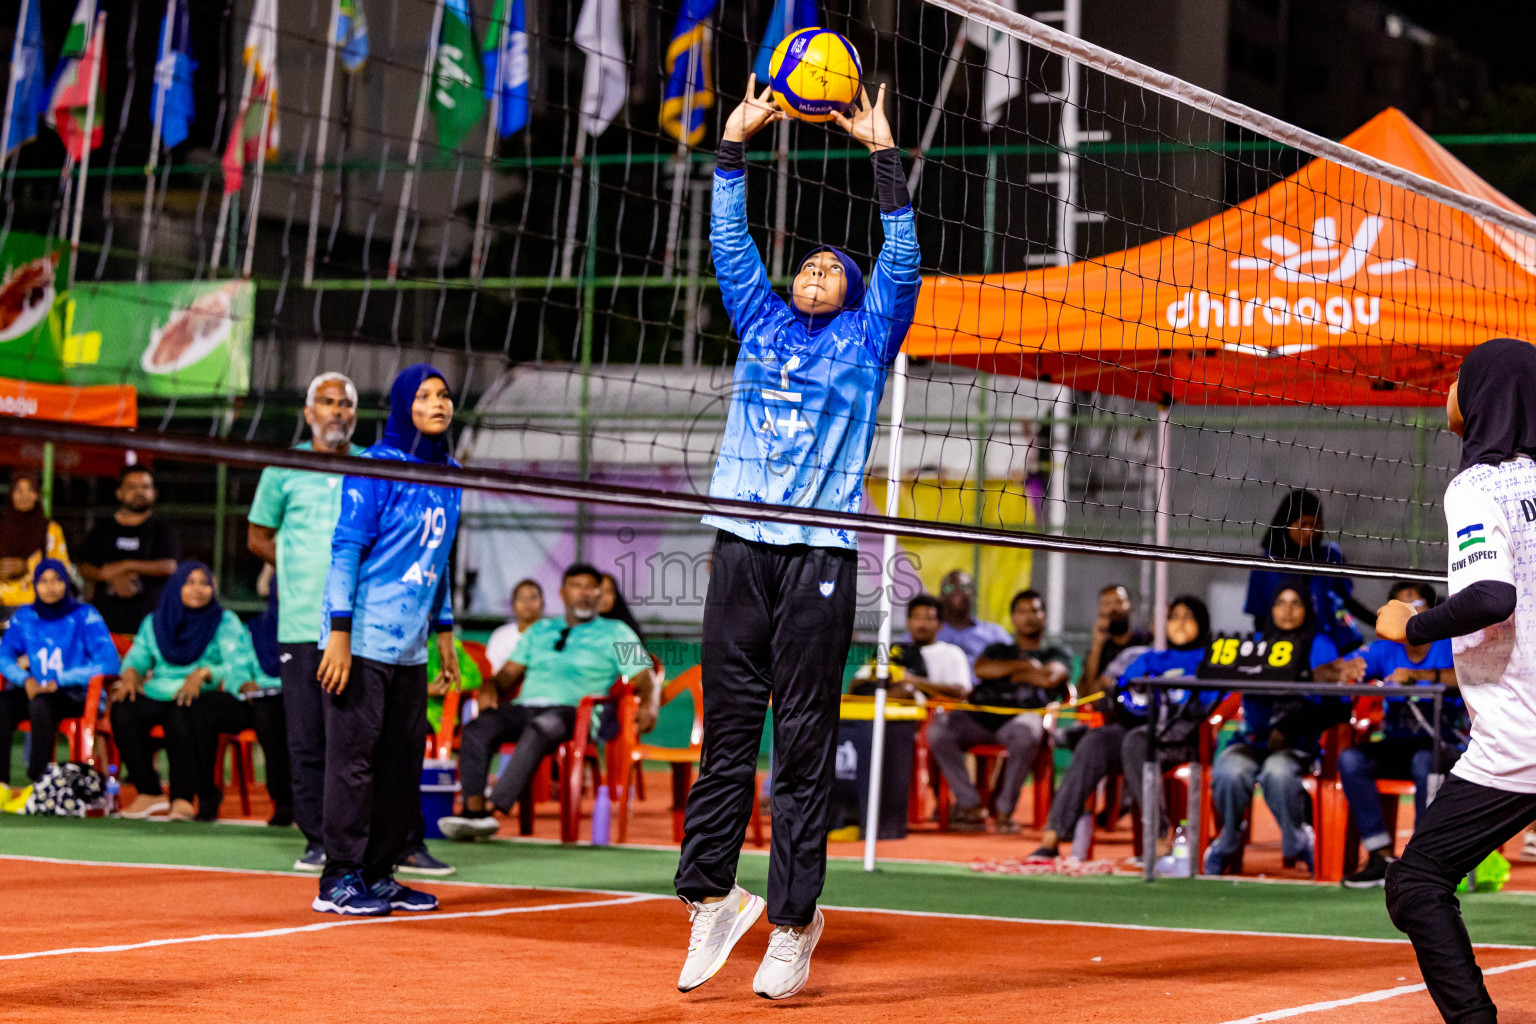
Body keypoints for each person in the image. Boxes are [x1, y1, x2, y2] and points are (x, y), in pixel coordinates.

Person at [672, 77, 921, 1001]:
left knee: (803, 742)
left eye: (830, 268)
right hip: (740, 543)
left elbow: (903, 258)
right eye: (807, 264)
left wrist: (881, 157)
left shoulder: (867, 336)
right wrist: (732, 147)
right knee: (727, 735)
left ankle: (792, 922)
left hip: (817, 553)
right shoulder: (762, 319)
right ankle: (709, 899)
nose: (813, 271)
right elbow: (729, 245)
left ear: (852, 292)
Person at [1374, 338, 1536, 1024]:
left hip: (1521, 737)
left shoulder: (1479, 485)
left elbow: (1490, 596)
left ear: (1480, 398)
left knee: (1416, 882)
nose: (1448, 392)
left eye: (1457, 381)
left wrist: (1411, 624)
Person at [314, 364, 462, 917]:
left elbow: (441, 562)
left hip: (411, 646)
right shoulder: (376, 466)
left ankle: (380, 873)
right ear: (404, 406)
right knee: (353, 762)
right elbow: (346, 549)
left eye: (444, 395)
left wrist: (445, 634)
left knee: (403, 764)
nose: (437, 403)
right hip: (362, 637)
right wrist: (338, 635)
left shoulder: (452, 474)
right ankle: (338, 877)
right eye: (424, 395)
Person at [437, 564, 657, 840]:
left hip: (574, 714)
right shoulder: (540, 630)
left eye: (592, 587)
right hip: (524, 707)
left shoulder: (617, 631)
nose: (585, 593)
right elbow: (506, 675)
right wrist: (489, 686)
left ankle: (493, 807)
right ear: (562, 593)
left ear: (600, 593)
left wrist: (650, 703)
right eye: (577, 586)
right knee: (478, 727)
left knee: (543, 726)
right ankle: (473, 812)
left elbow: (644, 676)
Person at [247, 370, 365, 871]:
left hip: (358, 628)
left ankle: (356, 840)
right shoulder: (283, 468)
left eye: (344, 404)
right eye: (327, 402)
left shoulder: (374, 467)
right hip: (299, 624)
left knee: (356, 740)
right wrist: (297, 564)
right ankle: (316, 838)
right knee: (306, 739)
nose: (336, 411)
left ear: (354, 415)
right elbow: (257, 536)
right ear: (309, 413)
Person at [1030, 596, 1210, 861]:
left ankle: (1160, 841)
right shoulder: (1150, 657)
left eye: (1188, 617)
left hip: (1183, 737)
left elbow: (1209, 705)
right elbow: (1121, 691)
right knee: (1095, 741)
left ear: (1202, 623)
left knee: (1136, 742)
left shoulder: (1209, 659)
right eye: (1174, 617)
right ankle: (1052, 838)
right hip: (1143, 730)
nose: (1179, 624)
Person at [1204, 581, 1366, 876]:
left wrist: (1291, 728)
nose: (1287, 611)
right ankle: (1227, 839)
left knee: (1277, 773)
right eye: (1280, 603)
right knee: (1229, 770)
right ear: (1270, 609)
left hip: (1299, 744)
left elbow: (1339, 708)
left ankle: (1299, 838)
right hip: (1252, 741)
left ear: (1308, 609)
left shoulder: (1321, 645)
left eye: (1296, 603)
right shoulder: (1255, 642)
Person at [1338, 581, 1460, 889]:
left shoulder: (1451, 643)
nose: (1409, 613)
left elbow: (1470, 676)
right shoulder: (1385, 648)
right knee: (1351, 759)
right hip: (1398, 744)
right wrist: (1349, 668)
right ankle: (1379, 855)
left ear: (1432, 610)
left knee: (1424, 761)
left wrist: (1418, 676)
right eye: (1400, 607)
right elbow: (1345, 667)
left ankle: (1424, 861)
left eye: (1416, 604)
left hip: (1447, 745)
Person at [111, 562, 252, 820]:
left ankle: (182, 798)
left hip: (198, 695)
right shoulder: (155, 622)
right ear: (176, 587)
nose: (198, 589)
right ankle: (148, 791)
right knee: (124, 708)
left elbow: (233, 664)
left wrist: (203, 674)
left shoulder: (223, 621)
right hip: (159, 689)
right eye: (190, 582)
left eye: (205, 583)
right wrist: (130, 673)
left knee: (182, 713)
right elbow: (139, 656)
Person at [928, 590, 1072, 834]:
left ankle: (1004, 811)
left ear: (1044, 617)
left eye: (1035, 611)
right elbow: (983, 669)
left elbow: (1050, 677)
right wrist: (1026, 668)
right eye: (1023, 611)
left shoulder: (1055, 652)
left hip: (1021, 719)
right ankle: (970, 804)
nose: (1029, 617)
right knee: (938, 731)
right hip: (981, 719)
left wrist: (1007, 672)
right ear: (1013, 618)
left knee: (1026, 733)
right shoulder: (998, 648)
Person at [0, 560, 119, 798]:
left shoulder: (85, 615)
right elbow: (4, 655)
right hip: (36, 688)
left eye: (57, 580)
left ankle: (39, 784)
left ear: (67, 583)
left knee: (41, 705)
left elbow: (110, 662)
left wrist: (61, 680)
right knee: (3, 704)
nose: (50, 587)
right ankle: (1, 785)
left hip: (76, 694)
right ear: (35, 585)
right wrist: (25, 679)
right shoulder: (26, 616)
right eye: (43, 581)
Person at [189, 603, 292, 825]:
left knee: (269, 712)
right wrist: (242, 684)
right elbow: (236, 667)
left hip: (292, 700)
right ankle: (206, 795)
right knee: (204, 707)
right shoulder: (255, 628)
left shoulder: (305, 626)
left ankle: (285, 802)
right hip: (255, 698)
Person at [1244, 489, 1371, 653]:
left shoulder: (1330, 556)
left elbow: (1345, 600)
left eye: (1315, 525)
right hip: (1284, 648)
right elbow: (1259, 616)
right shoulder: (1266, 564)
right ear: (1287, 523)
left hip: (1333, 644)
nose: (1309, 532)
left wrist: (1379, 622)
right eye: (1302, 524)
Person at [78, 465, 180, 635]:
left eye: (145, 487)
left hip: (150, 628)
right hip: (105, 626)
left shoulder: (163, 529)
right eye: (132, 487)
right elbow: (84, 566)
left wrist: (127, 565)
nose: (139, 492)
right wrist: (106, 576)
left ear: (154, 493)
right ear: (119, 493)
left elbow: (169, 566)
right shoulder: (103, 529)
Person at [850, 594, 971, 699]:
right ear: (908, 623)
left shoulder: (953, 653)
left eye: (929, 618)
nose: (922, 624)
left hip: (932, 716)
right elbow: (856, 683)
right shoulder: (892, 650)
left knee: (906, 689)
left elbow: (961, 691)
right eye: (916, 617)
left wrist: (912, 681)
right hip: (887, 710)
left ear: (940, 624)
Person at [0, 469, 71, 612]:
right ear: (11, 495)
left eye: (30, 490)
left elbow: (62, 570)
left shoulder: (50, 530)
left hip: (37, 607)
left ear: (37, 495)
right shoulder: (1, 528)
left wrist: (27, 566)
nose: (24, 496)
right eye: (18, 490)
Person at [934, 569, 1011, 682]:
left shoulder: (995, 634)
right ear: (940, 596)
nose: (957, 592)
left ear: (974, 594)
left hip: (985, 694)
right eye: (949, 588)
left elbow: (1014, 662)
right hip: (937, 694)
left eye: (964, 588)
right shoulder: (929, 633)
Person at [1077, 584, 1153, 696]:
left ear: (1130, 607)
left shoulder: (1147, 641)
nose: (1113, 608)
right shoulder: (1096, 652)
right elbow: (1087, 695)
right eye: (1106, 604)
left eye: (1118, 602)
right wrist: (1097, 645)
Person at [484, 579, 544, 674]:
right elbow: (492, 670)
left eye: (533, 597)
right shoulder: (501, 635)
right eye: (521, 598)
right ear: (513, 603)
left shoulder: (552, 635)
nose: (527, 602)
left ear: (542, 603)